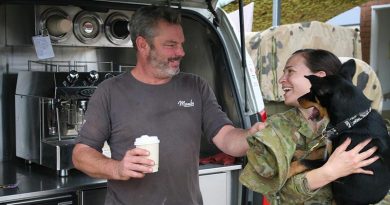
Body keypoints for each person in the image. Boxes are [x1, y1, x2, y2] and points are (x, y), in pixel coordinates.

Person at [72, 5, 264, 205]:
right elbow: (81, 154)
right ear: (143, 45)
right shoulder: (110, 91)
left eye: (181, 44)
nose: (181, 52)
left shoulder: (195, 87)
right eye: (171, 45)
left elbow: (226, 136)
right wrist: (117, 168)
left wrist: (251, 137)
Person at [240, 48, 388, 204]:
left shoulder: (367, 128)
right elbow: (275, 196)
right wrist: (328, 172)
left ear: (320, 78)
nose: (281, 79)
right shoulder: (273, 130)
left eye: (290, 71)